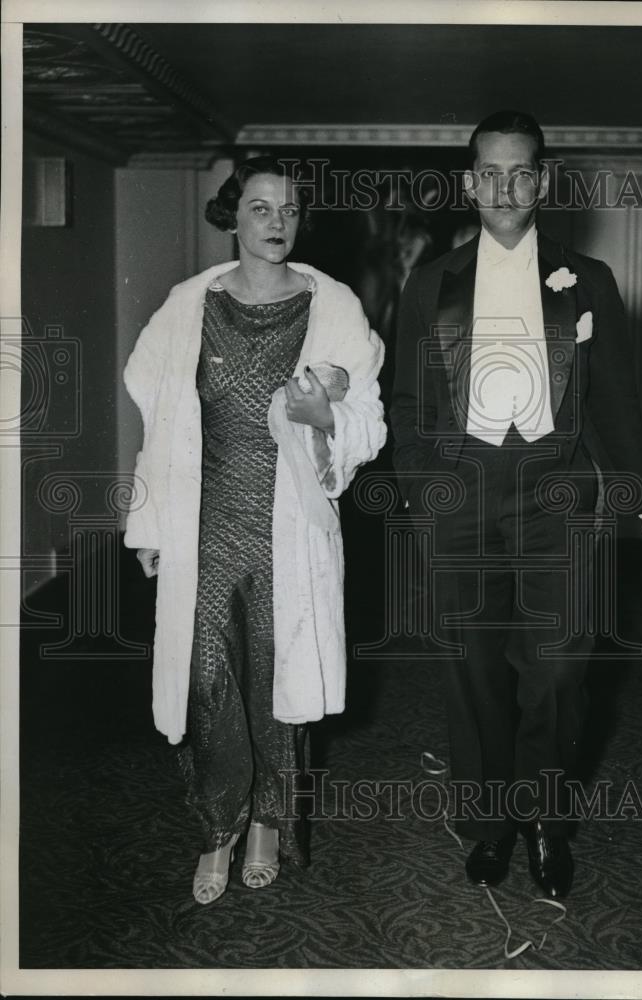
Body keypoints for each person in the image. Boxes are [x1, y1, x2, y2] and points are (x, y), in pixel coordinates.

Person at [390, 111, 642, 898]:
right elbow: (408, 401)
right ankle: (490, 826)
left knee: (557, 671)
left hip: (560, 492)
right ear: (468, 183)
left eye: (521, 171)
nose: (505, 187)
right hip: (462, 492)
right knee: (473, 672)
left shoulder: (587, 280)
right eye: (489, 172)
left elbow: (617, 401)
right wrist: (427, 493)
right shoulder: (430, 283)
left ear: (543, 181)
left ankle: (547, 825)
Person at [123, 155, 386, 904]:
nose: (277, 223)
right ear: (233, 216)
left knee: (280, 677)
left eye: (290, 209)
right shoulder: (188, 305)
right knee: (208, 679)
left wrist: (324, 413)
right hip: (204, 522)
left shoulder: (330, 306)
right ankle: (218, 827)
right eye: (262, 208)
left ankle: (268, 822)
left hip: (289, 526)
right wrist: (149, 520)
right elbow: (160, 418)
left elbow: (367, 421)